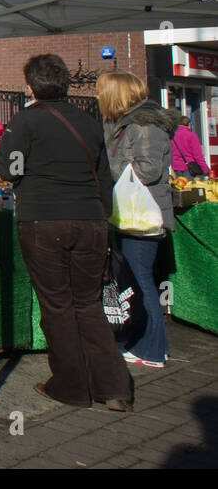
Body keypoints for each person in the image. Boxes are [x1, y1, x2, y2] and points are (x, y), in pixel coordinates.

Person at [0, 54, 132, 411]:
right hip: (90, 221)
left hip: (43, 220)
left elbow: (8, 170)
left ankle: (71, 386)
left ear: (30, 86)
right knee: (88, 303)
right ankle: (115, 388)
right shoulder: (89, 122)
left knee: (57, 305)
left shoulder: (25, 121)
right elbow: (104, 176)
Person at [98, 72, 174, 369]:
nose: (99, 97)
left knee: (141, 280)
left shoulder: (143, 125)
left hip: (142, 215)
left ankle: (153, 349)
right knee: (135, 279)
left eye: (103, 92)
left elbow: (149, 169)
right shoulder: (125, 123)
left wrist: (111, 170)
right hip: (131, 215)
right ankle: (142, 342)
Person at [168, 109, 208, 177]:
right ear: (188, 124)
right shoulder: (191, 135)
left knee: (179, 182)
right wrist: (205, 169)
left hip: (176, 166)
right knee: (190, 183)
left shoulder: (172, 135)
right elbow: (197, 155)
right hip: (189, 166)